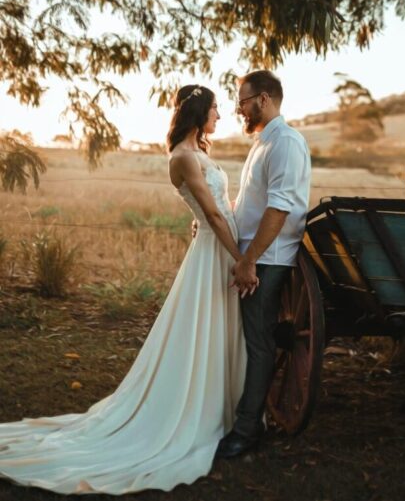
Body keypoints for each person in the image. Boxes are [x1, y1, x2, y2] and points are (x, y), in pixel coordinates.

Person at [0, 85, 249, 495]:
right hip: (215, 252)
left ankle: (225, 406)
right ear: (199, 111)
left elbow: (218, 209)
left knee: (218, 329)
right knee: (201, 329)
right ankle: (194, 412)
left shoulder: (198, 152)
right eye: (216, 109)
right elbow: (210, 213)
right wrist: (240, 258)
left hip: (218, 246)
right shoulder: (184, 157)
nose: (220, 116)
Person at [216, 70, 311, 459]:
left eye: (243, 101)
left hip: (268, 260)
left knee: (259, 344)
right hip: (255, 255)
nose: (239, 109)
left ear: (265, 99)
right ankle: (245, 416)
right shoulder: (263, 142)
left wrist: (249, 260)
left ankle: (246, 430)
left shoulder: (286, 143)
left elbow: (279, 209)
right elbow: (252, 203)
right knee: (252, 341)